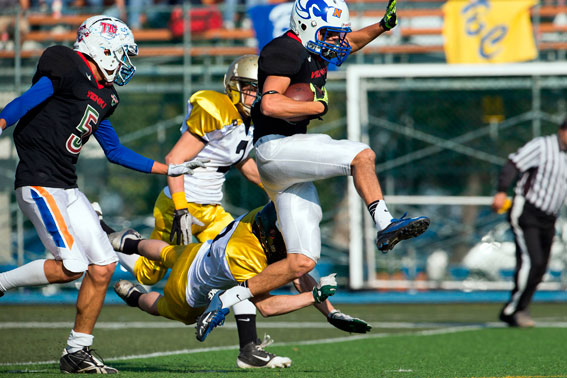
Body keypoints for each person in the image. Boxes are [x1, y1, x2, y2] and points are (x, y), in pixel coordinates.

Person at [195, 0, 430, 339]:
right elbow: (270, 102)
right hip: (275, 148)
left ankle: (228, 299)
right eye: (330, 34)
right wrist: (313, 106)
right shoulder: (286, 50)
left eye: (337, 35)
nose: (337, 42)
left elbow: (351, 42)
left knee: (302, 261)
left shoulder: (314, 48)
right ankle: (385, 224)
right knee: (361, 155)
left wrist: (381, 26)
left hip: (287, 163)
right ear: (305, 26)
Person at [0, 15, 203, 374]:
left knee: (104, 265)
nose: (126, 62)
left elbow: (115, 151)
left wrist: (168, 169)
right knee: (71, 267)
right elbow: (27, 101)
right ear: (102, 47)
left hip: (67, 186)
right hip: (38, 182)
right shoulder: (67, 66)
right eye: (122, 53)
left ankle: (77, 351)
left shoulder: (104, 94)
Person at [113, 54, 292, 368]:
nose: (255, 95)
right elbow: (174, 160)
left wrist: (277, 190)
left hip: (211, 209)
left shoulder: (249, 122)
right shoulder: (217, 109)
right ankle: (110, 236)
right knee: (148, 273)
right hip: (179, 203)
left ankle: (248, 348)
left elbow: (244, 164)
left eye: (259, 89)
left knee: (242, 266)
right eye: (249, 88)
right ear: (233, 86)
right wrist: (182, 211)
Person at [110, 202, 371, 367]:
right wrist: (314, 297)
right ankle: (135, 296)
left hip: (195, 253)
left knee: (169, 253)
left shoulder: (255, 217)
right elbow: (268, 306)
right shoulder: (250, 262)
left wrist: (330, 311)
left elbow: (296, 273)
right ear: (273, 237)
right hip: (186, 293)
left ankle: (126, 242)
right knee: (161, 306)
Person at [492, 120, 567, 328]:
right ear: (563, 130)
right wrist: (501, 191)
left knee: (541, 266)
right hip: (527, 212)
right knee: (530, 261)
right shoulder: (542, 146)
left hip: (549, 217)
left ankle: (520, 307)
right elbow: (513, 164)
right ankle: (512, 310)